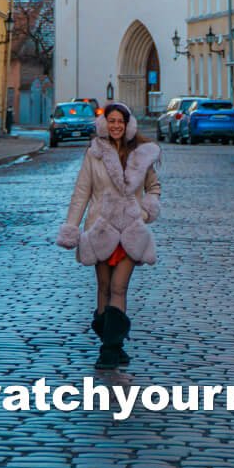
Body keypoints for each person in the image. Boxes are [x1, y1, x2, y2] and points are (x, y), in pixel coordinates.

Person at [56, 103, 161, 371]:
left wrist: (146, 211)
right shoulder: (94, 154)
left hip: (130, 230)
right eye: (111, 121)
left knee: (119, 288)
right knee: (103, 288)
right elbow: (82, 192)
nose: (116, 126)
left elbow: (154, 187)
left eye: (120, 122)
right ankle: (111, 339)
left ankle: (110, 349)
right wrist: (72, 227)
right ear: (105, 125)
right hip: (101, 229)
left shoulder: (140, 154)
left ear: (128, 125)